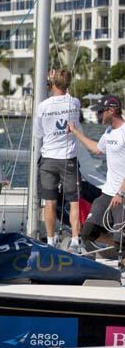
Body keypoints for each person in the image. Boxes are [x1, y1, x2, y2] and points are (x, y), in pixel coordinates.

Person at [33, 69, 83, 251]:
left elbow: (37, 133)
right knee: (74, 201)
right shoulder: (74, 103)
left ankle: (50, 241)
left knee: (50, 201)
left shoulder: (43, 106)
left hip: (48, 159)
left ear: (53, 83)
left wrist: (49, 81)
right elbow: (76, 126)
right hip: (68, 159)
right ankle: (76, 241)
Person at [69, 95, 124, 255]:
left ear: (112, 110)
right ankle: (116, 244)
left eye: (101, 112)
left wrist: (120, 193)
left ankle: (121, 248)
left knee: (122, 237)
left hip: (121, 193)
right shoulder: (109, 132)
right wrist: (76, 133)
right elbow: (97, 149)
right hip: (108, 193)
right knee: (88, 232)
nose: (98, 115)